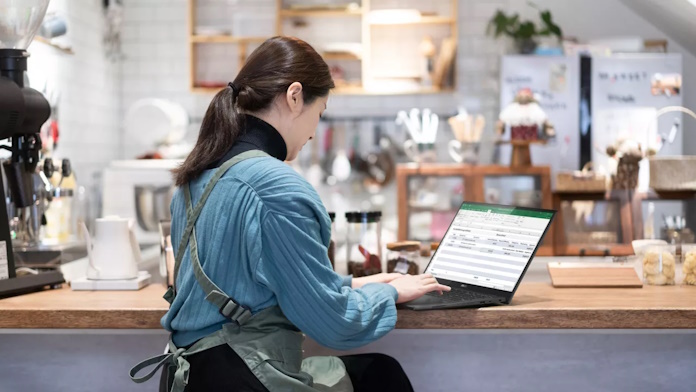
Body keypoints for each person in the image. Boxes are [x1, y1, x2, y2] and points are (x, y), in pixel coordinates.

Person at [130, 36, 450, 392]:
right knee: (380, 374)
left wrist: (360, 283)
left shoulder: (194, 180)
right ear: (295, 96)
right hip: (240, 376)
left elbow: (253, 285)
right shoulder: (276, 186)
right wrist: (389, 294)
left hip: (188, 378)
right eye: (320, 112)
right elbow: (335, 323)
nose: (315, 132)